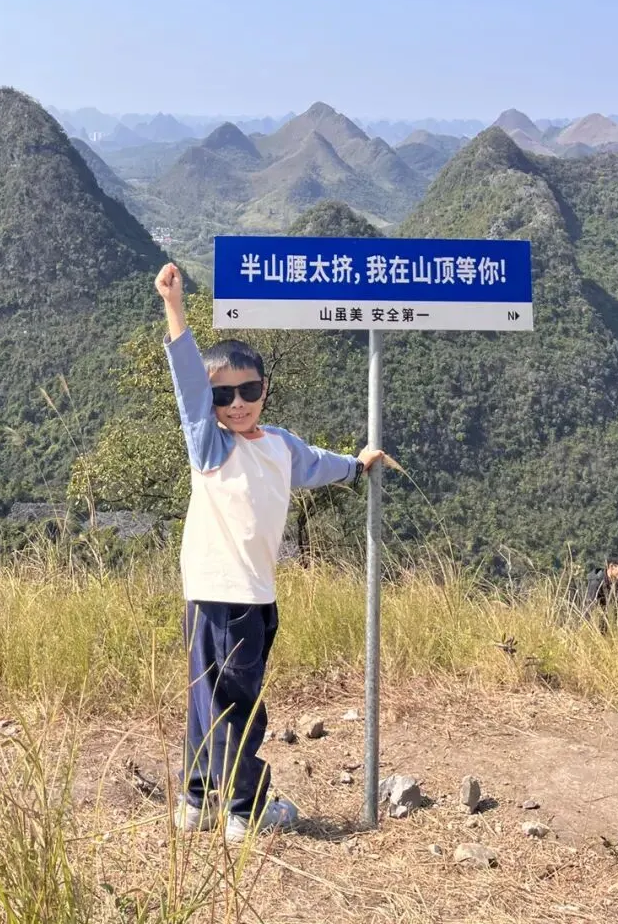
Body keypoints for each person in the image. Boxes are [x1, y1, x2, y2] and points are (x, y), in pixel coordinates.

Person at [156, 261, 385, 843]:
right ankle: (245, 809)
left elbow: (319, 465)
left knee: (209, 700)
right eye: (224, 395)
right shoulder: (210, 445)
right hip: (225, 594)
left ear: (265, 390)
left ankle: (197, 801)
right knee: (236, 703)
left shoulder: (281, 446)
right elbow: (187, 384)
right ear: (211, 403)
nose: (238, 404)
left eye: (249, 391)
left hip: (251, 594)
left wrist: (357, 465)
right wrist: (175, 308)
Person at [585, 555, 618, 630]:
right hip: (594, 626)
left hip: (609, 625)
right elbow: (589, 609)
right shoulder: (596, 583)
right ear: (611, 566)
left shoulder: (617, 583)